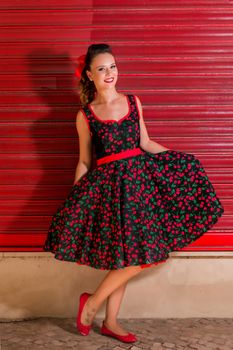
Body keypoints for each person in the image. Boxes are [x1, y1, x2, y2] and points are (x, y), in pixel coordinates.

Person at [43, 43, 224, 343]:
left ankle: (97, 308)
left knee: (135, 257)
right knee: (125, 258)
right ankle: (102, 314)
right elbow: (85, 160)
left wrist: (179, 160)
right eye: (101, 68)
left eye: (112, 66)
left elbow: (146, 143)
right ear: (89, 74)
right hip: (111, 193)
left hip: (139, 189)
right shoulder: (85, 116)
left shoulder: (133, 102)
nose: (109, 73)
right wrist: (76, 197)